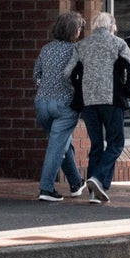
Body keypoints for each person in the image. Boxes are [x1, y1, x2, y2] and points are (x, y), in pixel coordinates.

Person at [65, 10, 130, 203]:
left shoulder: (82, 45)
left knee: (96, 145)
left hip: (89, 102)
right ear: (112, 26)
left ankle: (95, 193)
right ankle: (98, 179)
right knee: (116, 143)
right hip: (112, 100)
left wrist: (80, 88)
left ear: (94, 26)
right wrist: (126, 91)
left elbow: (68, 73)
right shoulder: (118, 44)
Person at [32, 11, 87, 202]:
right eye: (79, 28)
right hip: (65, 104)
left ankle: (76, 182)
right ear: (73, 30)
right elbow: (80, 77)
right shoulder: (77, 50)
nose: (80, 31)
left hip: (42, 103)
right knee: (56, 147)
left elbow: (36, 75)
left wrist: (46, 90)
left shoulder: (46, 49)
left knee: (62, 143)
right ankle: (46, 189)